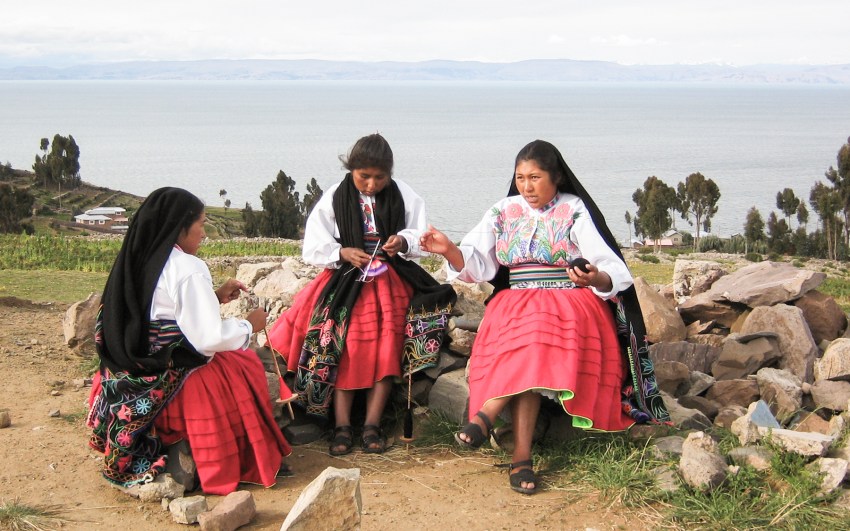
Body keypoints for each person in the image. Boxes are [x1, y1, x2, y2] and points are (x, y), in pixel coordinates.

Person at [420, 140, 669, 495]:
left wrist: (593, 276)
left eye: (535, 177)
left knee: (535, 339)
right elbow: (479, 264)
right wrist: (449, 249)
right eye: (520, 177)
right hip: (516, 300)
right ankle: (520, 457)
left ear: (556, 177)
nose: (526, 186)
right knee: (529, 346)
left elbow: (609, 265)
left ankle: (488, 418)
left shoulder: (574, 209)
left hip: (569, 301)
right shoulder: (502, 211)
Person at [86, 187, 292, 496]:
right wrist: (249, 325)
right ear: (180, 227)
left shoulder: (141, 258)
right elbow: (208, 338)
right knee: (244, 364)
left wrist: (213, 297)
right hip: (170, 373)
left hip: (131, 367)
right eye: (201, 223)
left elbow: (159, 308)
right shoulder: (188, 268)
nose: (204, 232)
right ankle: (228, 460)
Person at [266, 133, 456, 456]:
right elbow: (314, 242)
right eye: (363, 177)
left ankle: (372, 424)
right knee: (344, 345)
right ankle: (341, 425)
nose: (370, 184)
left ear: (390, 174)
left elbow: (419, 233)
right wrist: (342, 253)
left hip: (389, 280)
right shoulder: (334, 197)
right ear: (350, 169)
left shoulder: (404, 195)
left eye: (379, 178)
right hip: (345, 280)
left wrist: (403, 242)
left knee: (387, 348)